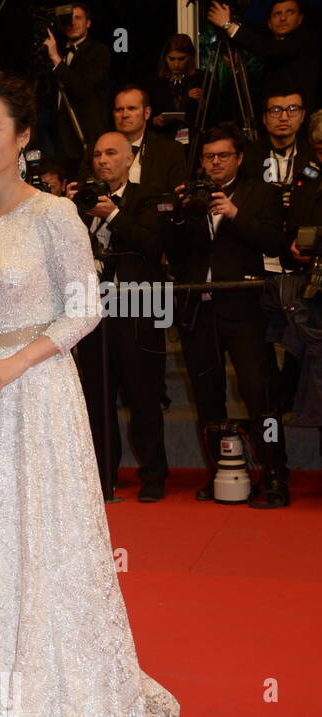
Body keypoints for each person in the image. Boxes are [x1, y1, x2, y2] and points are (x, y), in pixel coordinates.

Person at [0, 70, 178, 717]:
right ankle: (3, 702)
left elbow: (83, 310)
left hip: (35, 395)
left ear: (21, 139)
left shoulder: (54, 216)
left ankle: (62, 698)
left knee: (42, 540)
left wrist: (15, 361)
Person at [170, 122, 289, 507]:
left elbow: (274, 243)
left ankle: (274, 474)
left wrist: (235, 213)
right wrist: (179, 213)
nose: (215, 162)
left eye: (223, 155)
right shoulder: (193, 196)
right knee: (207, 397)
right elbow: (175, 253)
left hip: (245, 308)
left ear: (238, 158)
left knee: (261, 396)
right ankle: (221, 471)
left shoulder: (260, 193)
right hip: (199, 310)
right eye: (208, 156)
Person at [67, 132, 171, 502]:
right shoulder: (78, 203)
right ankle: (102, 473)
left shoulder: (149, 196)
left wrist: (111, 214)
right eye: (97, 154)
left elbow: (153, 244)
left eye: (111, 153)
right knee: (97, 398)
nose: (102, 160)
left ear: (130, 158)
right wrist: (68, 211)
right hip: (91, 312)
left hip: (138, 310)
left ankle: (154, 474)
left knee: (143, 396)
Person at [209, 0, 319, 110]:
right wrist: (239, 69)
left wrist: (228, 25)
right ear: (269, 23)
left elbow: (271, 49)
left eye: (290, 12)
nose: (283, 18)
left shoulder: (306, 38)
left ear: (300, 19)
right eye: (277, 14)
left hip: (302, 116)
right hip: (272, 116)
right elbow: (259, 90)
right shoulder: (266, 52)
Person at [42, 3, 111, 169]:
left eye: (78, 18)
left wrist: (56, 59)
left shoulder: (99, 51)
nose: (73, 23)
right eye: (69, 18)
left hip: (85, 135)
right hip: (58, 136)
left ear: (88, 23)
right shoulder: (58, 52)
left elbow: (81, 88)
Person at [110, 86, 187, 193]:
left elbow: (175, 196)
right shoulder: (98, 148)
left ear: (147, 113)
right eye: (119, 110)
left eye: (132, 108)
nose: (125, 115)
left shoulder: (170, 150)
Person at [148, 34, 207, 148]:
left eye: (181, 59)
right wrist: (155, 121)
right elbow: (145, 115)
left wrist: (202, 101)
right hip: (163, 141)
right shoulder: (155, 82)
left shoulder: (203, 79)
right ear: (165, 58)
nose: (176, 64)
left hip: (195, 143)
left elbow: (215, 116)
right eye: (172, 59)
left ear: (189, 57)